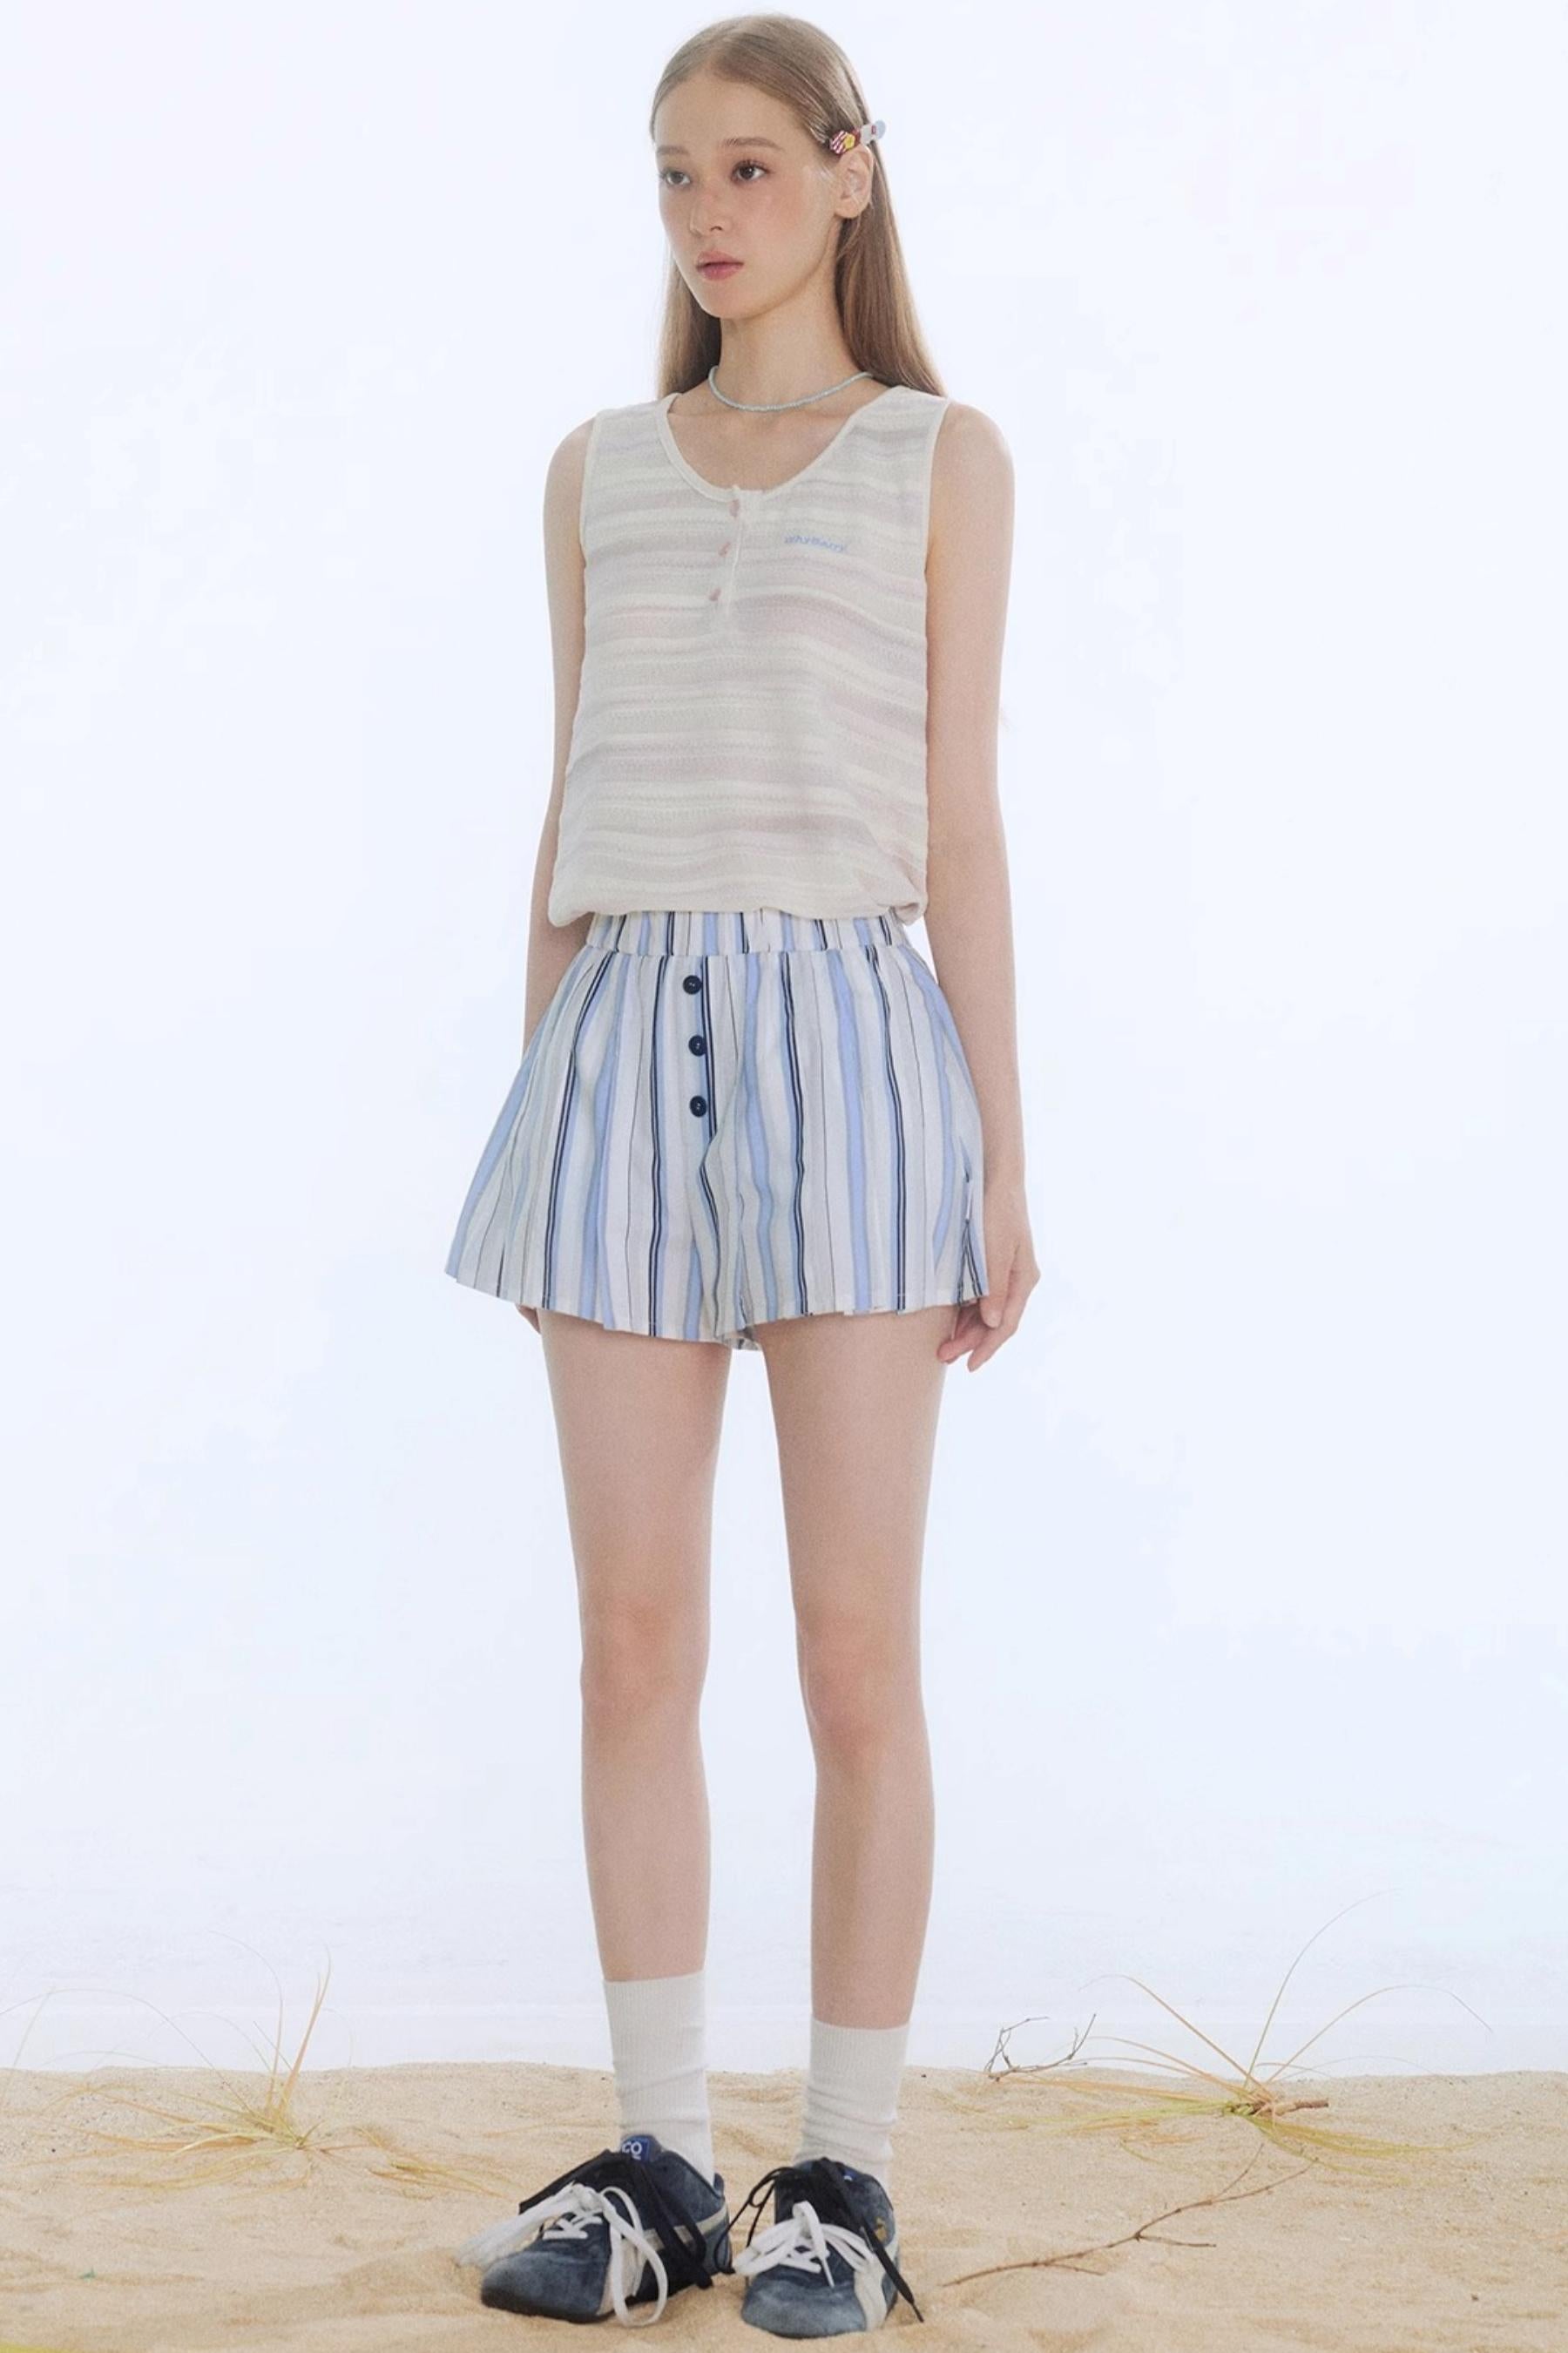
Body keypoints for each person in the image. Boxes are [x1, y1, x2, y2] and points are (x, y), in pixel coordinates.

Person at [445, 15, 1037, 2335]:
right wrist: (541, 1104)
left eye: (756, 167)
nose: (711, 212)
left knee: (854, 1649)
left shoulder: (937, 458)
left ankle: (846, 2180)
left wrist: (1002, 1160)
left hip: (856, 1051)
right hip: (617, 1050)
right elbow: (567, 801)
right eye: (679, 172)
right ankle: (666, 2164)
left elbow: (962, 820)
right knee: (632, 1640)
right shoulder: (597, 467)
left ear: (852, 176)